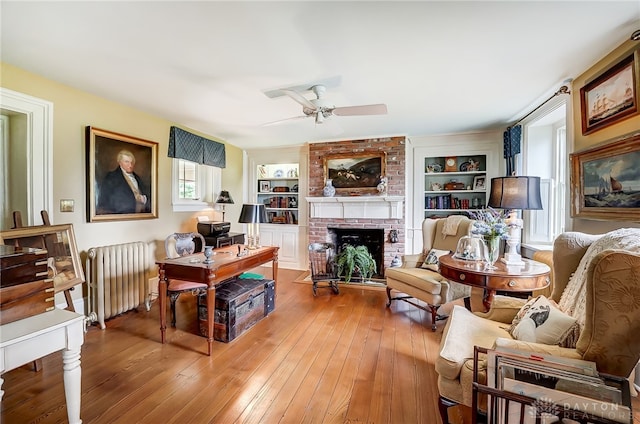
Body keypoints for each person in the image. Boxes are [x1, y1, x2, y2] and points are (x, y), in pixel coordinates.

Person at [97, 149, 150, 214]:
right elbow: (106, 202)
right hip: (122, 218)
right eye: (127, 162)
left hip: (142, 217)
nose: (130, 165)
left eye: (132, 162)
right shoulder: (111, 177)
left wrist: (144, 199)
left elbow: (148, 196)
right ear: (120, 162)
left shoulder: (137, 178)